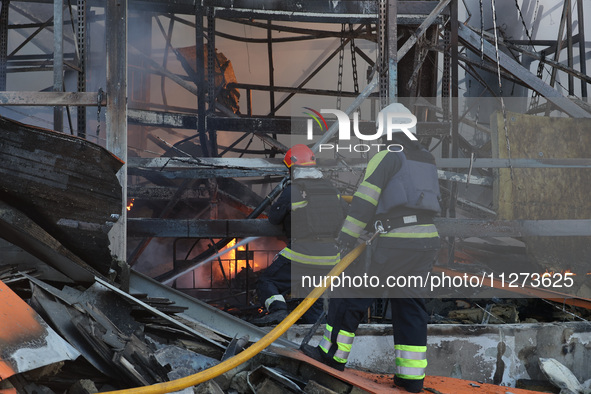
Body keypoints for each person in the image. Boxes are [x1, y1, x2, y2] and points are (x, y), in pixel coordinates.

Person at [302, 103, 441, 393]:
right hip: (426, 240)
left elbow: (365, 201)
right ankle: (411, 379)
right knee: (410, 305)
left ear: (387, 130)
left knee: (350, 294)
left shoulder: (387, 156)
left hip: (396, 241)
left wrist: (346, 238)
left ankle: (331, 356)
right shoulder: (427, 158)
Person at [252, 144, 345, 325]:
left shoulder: (293, 190)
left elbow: (274, 218)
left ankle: (278, 311)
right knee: (313, 295)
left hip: (302, 254)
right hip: (331, 258)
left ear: (292, 169)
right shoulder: (332, 190)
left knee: (267, 281)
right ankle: (315, 333)